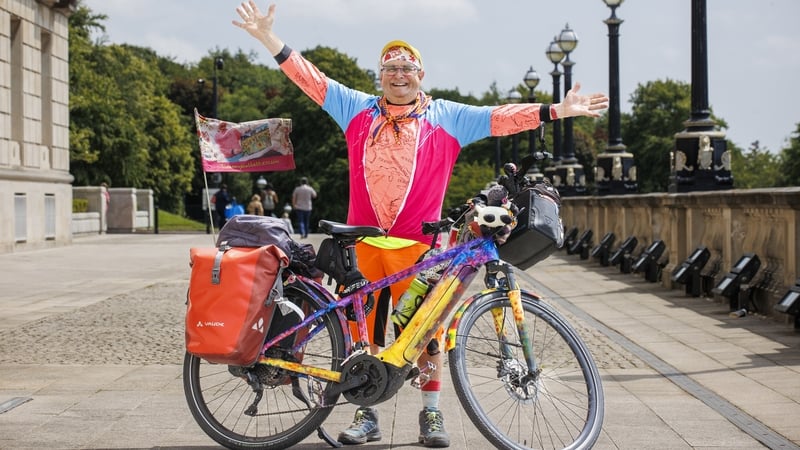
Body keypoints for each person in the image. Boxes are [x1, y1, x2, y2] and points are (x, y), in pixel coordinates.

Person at [233, 3, 608, 447]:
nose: (398, 75)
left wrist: (555, 111)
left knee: (427, 334)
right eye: (390, 68)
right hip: (366, 246)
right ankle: (365, 413)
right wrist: (267, 38)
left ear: (420, 75)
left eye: (406, 68)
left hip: (420, 248)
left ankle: (431, 414)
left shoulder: (446, 116)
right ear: (380, 76)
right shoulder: (356, 108)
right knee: (365, 335)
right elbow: (310, 78)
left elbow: (500, 116)